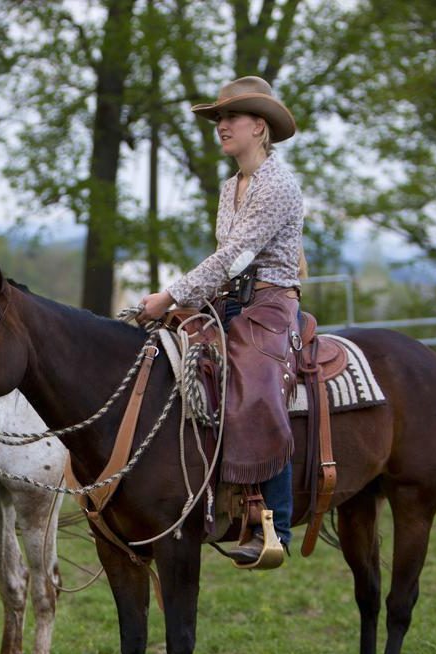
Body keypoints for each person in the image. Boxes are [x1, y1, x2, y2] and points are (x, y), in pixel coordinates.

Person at [136, 76, 303, 568]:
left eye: (231, 118)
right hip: (230, 300)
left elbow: (236, 254)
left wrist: (172, 293)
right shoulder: (232, 185)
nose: (222, 126)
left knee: (255, 380)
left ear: (260, 126)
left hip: (270, 302)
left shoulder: (277, 184)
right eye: (218, 120)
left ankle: (275, 523)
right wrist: (179, 307)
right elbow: (225, 260)